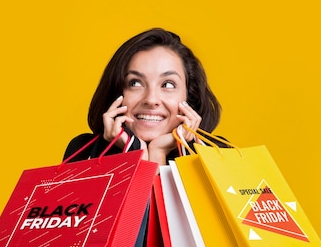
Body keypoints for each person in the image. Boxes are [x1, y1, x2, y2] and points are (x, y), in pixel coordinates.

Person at [63, 27, 223, 165]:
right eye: (135, 83)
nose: (151, 100)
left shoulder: (220, 156)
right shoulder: (84, 152)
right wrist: (135, 152)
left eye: (167, 84)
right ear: (117, 94)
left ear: (189, 96)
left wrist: (158, 153)